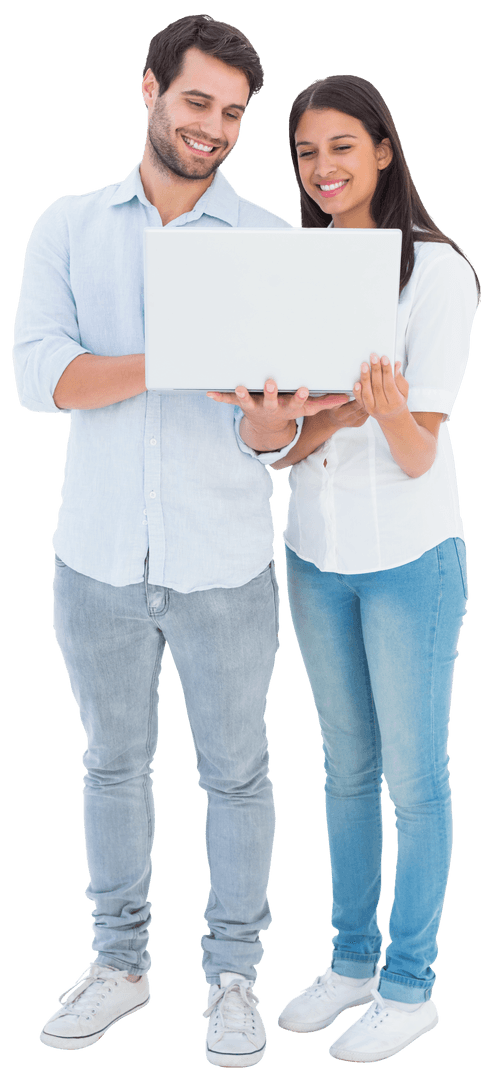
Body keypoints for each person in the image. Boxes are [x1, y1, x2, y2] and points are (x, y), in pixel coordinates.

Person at [12, 17, 347, 1067]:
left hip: (225, 565)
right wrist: (171, 358)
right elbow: (41, 380)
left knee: (238, 773)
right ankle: (119, 965)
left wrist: (266, 421)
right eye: (197, 102)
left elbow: (278, 438)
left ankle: (234, 977)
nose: (213, 129)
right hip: (98, 560)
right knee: (112, 766)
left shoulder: (268, 247)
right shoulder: (68, 228)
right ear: (150, 89)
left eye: (235, 115)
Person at [241, 74, 479, 1064]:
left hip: (409, 560)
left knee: (415, 780)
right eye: (305, 153)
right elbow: (285, 443)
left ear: (383, 149)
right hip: (316, 557)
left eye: (343, 146)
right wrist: (269, 431)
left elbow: (419, 450)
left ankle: (412, 987)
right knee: (346, 768)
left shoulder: (441, 274)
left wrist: (368, 408)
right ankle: (348, 962)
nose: (325, 168)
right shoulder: (291, 270)